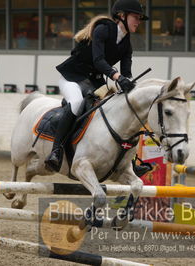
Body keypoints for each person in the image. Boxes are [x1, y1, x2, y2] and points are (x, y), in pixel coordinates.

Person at [45, 0, 149, 172]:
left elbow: (126, 71)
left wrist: (129, 84)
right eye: (135, 17)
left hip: (94, 81)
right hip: (72, 78)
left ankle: (129, 163)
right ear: (121, 16)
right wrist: (118, 77)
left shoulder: (126, 43)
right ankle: (56, 151)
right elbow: (98, 61)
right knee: (77, 103)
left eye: (139, 18)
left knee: (118, 107)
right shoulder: (103, 30)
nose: (138, 21)